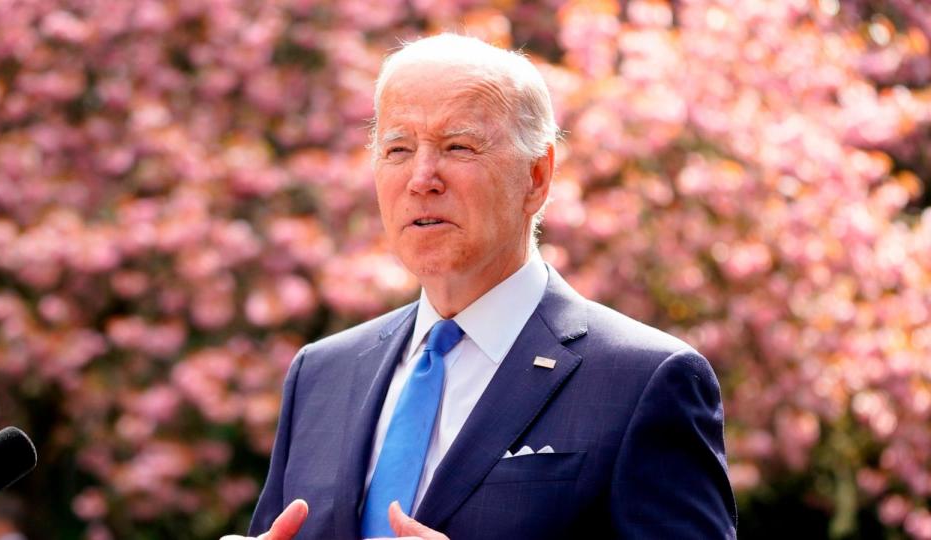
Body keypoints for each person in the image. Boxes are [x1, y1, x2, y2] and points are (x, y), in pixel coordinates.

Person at [225, 33, 737, 540]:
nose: (422, 177)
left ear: (536, 178)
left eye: (458, 146)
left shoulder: (644, 380)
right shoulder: (321, 374)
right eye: (398, 149)